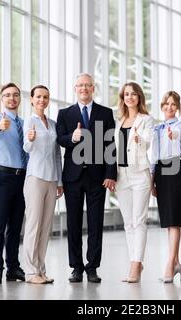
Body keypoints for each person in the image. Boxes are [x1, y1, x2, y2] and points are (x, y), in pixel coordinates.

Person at [56, 73, 117, 283]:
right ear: (75, 88)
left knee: (95, 223)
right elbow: (60, 139)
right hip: (72, 177)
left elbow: (110, 145)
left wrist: (111, 173)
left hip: (97, 176)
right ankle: (76, 267)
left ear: (93, 88)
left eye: (88, 85)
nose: (84, 88)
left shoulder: (105, 113)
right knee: (73, 224)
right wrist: (72, 138)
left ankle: (92, 267)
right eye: (80, 85)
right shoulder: (64, 114)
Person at [22, 85, 63, 284]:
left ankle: (40, 269)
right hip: (35, 178)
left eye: (45, 97)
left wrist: (60, 181)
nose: (42, 100)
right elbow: (27, 147)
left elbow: (57, 154)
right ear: (31, 99)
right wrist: (29, 140)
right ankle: (30, 272)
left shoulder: (53, 124)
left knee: (45, 226)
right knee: (33, 225)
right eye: (38, 96)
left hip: (52, 179)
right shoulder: (30, 121)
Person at [114, 82, 154, 283]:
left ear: (139, 97)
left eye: (133, 94)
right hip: (122, 176)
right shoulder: (119, 121)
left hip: (140, 175)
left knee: (139, 221)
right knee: (128, 223)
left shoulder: (146, 120)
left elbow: (148, 142)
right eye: (126, 94)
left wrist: (139, 140)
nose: (129, 97)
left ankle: (136, 265)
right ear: (123, 98)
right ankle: (134, 259)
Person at [0, 83, 27, 284]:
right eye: (7, 95)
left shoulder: (24, 122)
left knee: (15, 226)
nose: (12, 98)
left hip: (22, 178)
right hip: (3, 178)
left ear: (19, 98)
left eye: (15, 95)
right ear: (2, 99)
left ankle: (13, 268)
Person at [150, 91, 181, 284]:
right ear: (162, 106)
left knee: (174, 221)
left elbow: (178, 142)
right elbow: (154, 154)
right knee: (168, 221)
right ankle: (177, 262)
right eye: (166, 104)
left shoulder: (180, 125)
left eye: (173, 104)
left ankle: (170, 264)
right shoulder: (157, 128)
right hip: (161, 172)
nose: (169, 107)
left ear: (177, 106)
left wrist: (173, 136)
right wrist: (151, 180)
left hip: (174, 168)